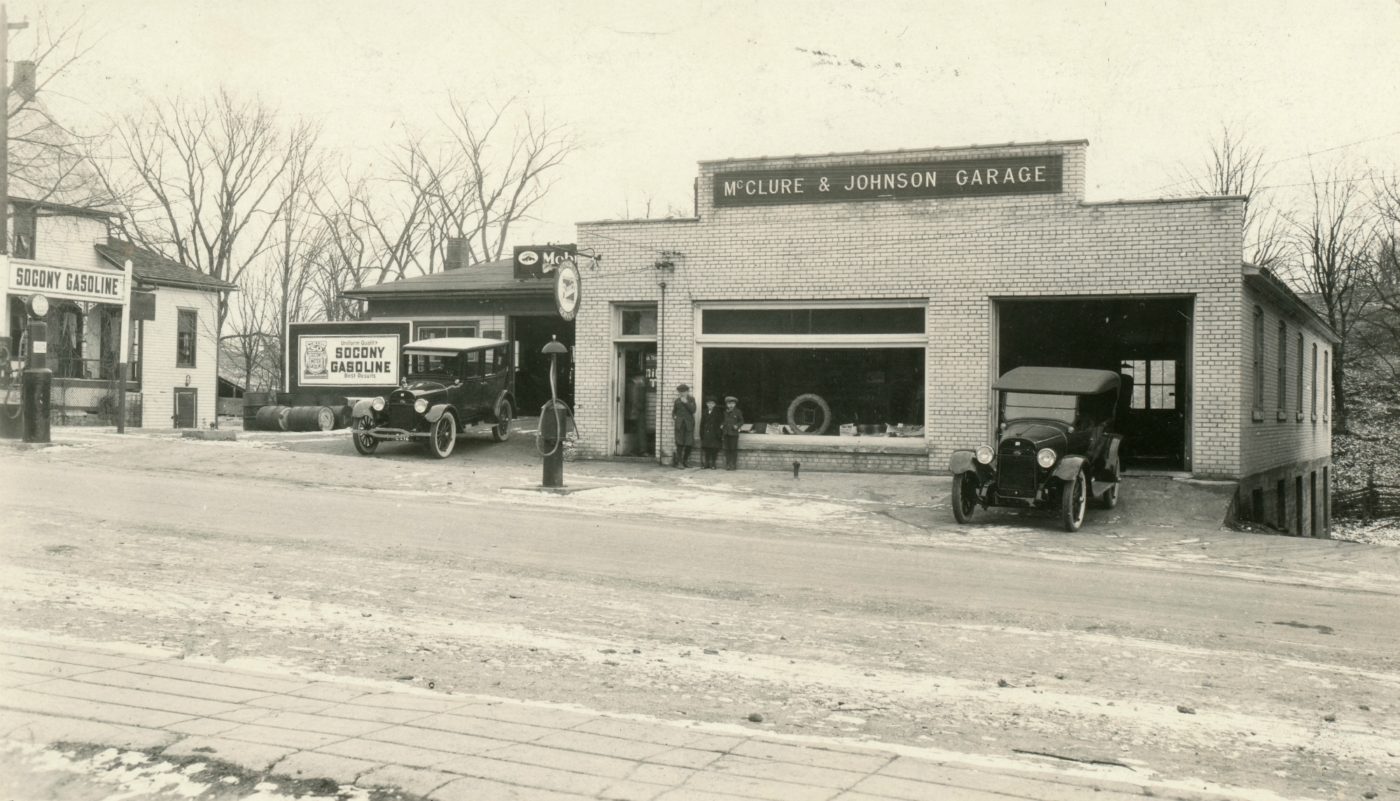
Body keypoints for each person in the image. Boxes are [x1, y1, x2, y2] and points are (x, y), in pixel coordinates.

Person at [671, 384, 697, 468]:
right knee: (679, 444)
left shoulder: (691, 399)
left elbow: (693, 410)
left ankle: (685, 461)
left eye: (684, 392)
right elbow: (674, 411)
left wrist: (686, 403)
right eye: (680, 392)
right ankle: (679, 462)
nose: (682, 393)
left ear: (687, 391)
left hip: (689, 425)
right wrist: (674, 416)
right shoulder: (677, 401)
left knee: (689, 444)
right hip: (679, 425)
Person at [625, 373, 649, 456]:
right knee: (639, 430)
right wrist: (637, 408)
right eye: (641, 378)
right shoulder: (635, 386)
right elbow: (634, 399)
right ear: (638, 378)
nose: (643, 380)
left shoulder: (634, 385)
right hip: (637, 411)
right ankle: (640, 450)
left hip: (636, 410)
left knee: (637, 430)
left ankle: (636, 450)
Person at [699, 395, 724, 469]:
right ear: (707, 404)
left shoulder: (718, 413)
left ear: (715, 404)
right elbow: (702, 423)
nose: (710, 405)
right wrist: (701, 433)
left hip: (714, 433)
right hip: (706, 433)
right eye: (709, 403)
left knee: (714, 449)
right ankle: (707, 463)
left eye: (712, 403)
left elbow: (721, 423)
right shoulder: (704, 412)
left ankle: (713, 464)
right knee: (707, 449)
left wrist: (719, 433)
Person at [721, 395, 744, 470]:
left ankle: (733, 465)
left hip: (734, 434)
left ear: (735, 404)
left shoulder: (738, 412)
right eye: (729, 403)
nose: (731, 405)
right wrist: (721, 425)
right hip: (726, 433)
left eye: (733, 403)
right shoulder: (724, 412)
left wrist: (737, 425)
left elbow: (742, 421)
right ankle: (728, 464)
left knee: (733, 449)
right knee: (727, 449)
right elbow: (721, 421)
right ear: (726, 404)